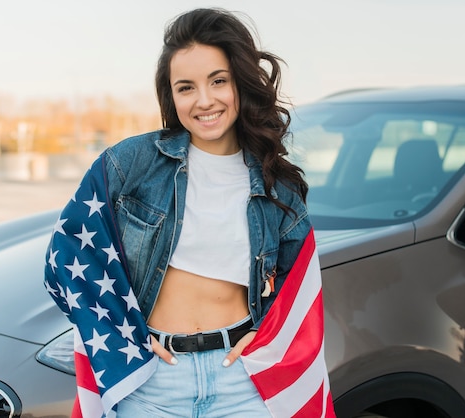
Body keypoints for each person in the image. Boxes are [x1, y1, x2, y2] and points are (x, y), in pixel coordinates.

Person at [44, 7, 335, 418]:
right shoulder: (132, 164)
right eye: (186, 87)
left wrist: (263, 336)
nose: (204, 101)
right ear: (171, 95)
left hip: (242, 383)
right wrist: (124, 336)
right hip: (151, 383)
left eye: (218, 81)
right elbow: (68, 256)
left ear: (241, 82)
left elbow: (296, 286)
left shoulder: (277, 184)